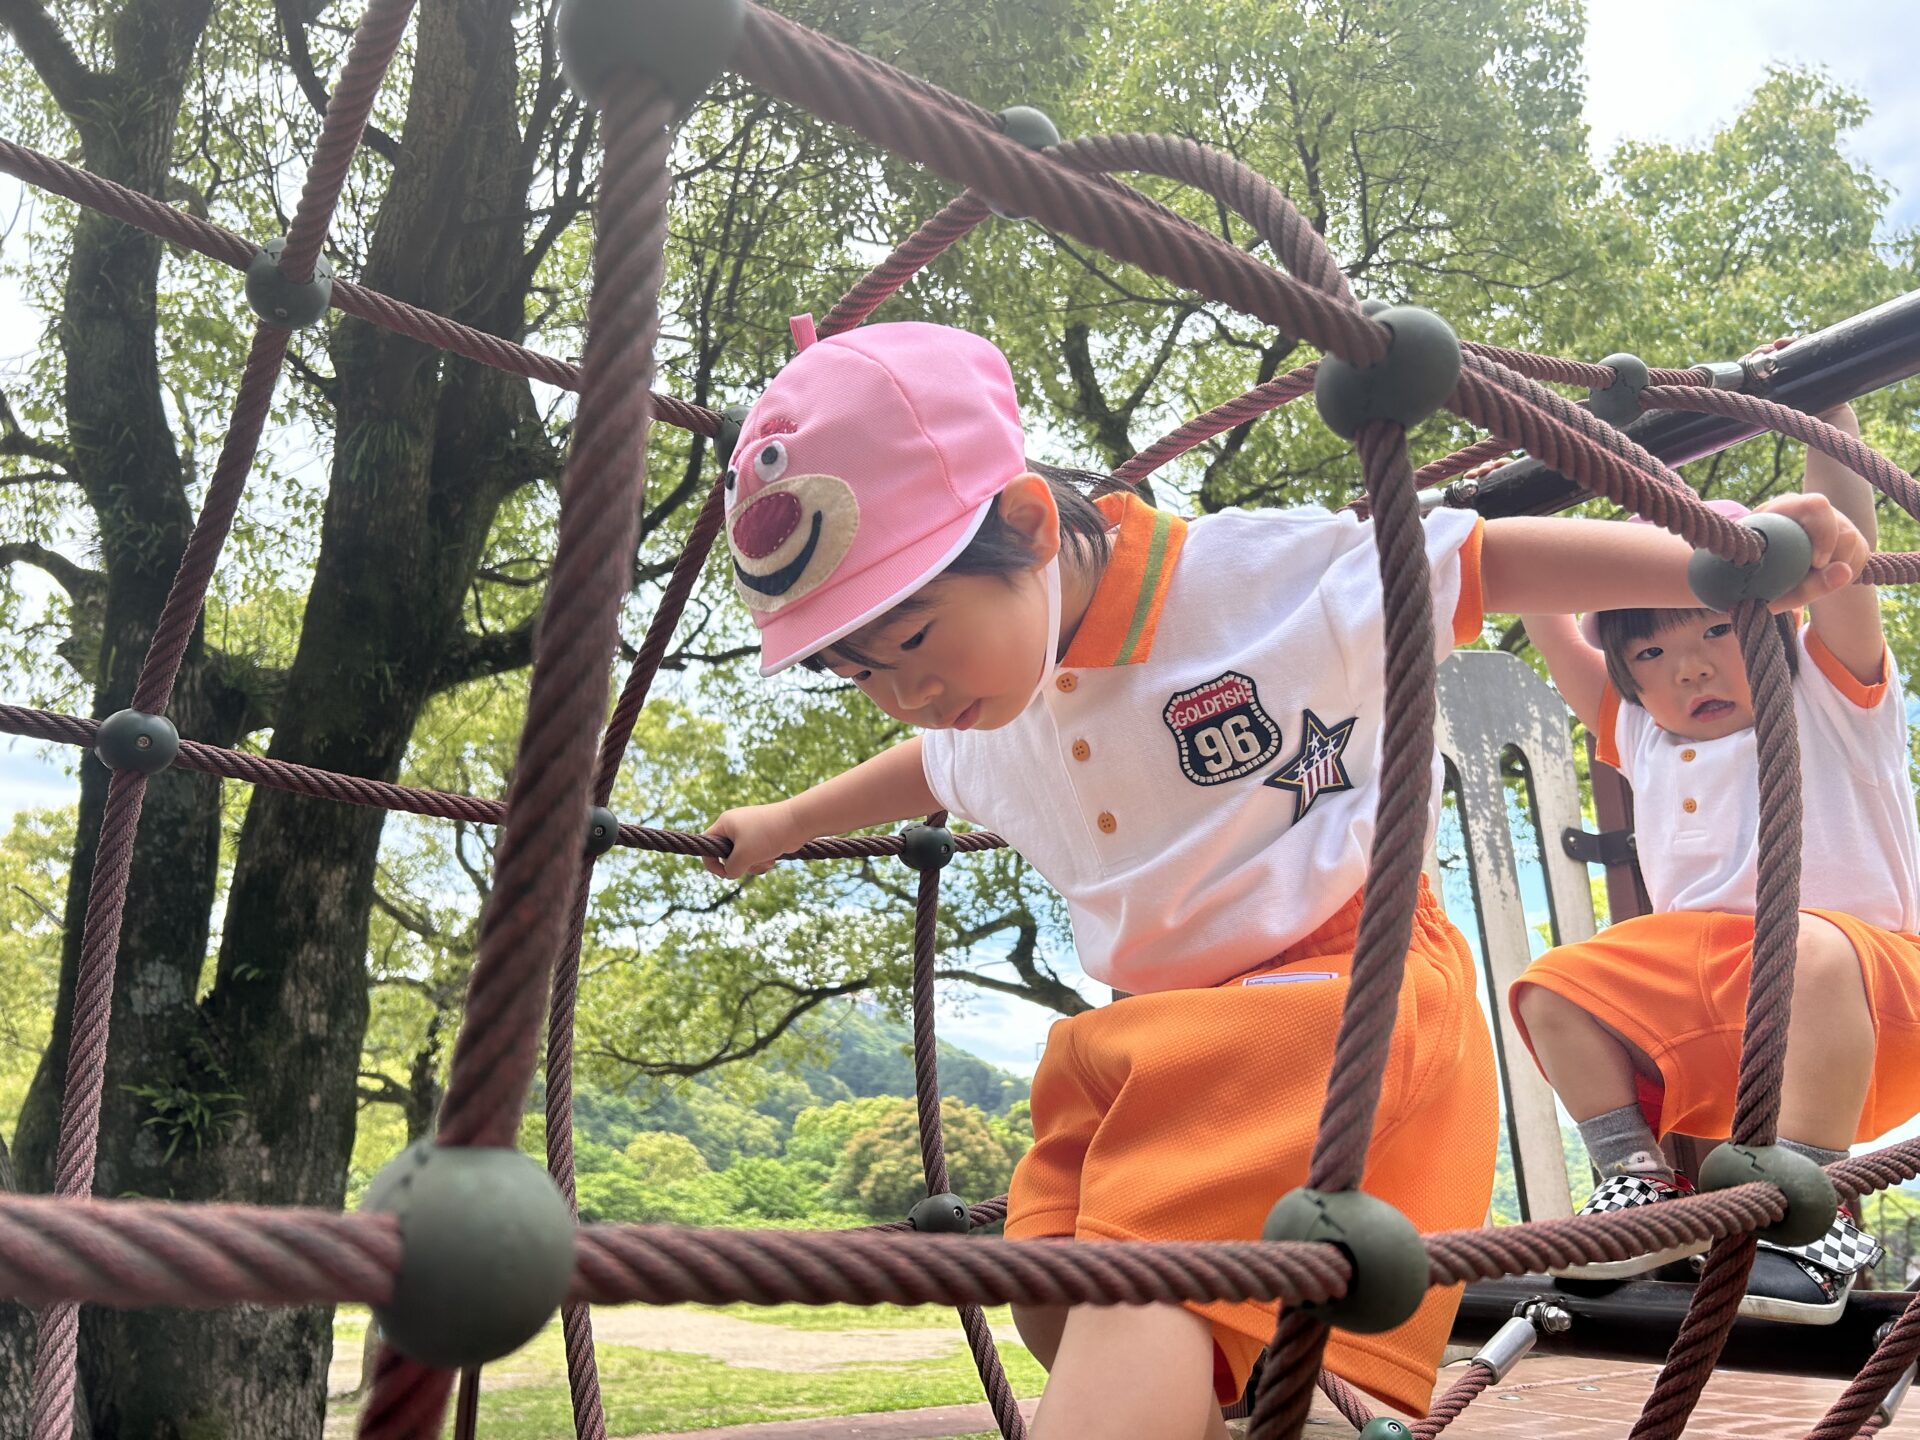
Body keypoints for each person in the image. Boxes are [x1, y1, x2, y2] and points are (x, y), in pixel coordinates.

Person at [703, 319, 1866, 1435]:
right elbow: (930, 767)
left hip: (1338, 1003)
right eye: (858, 672)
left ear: (1029, 525)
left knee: (1142, 1281)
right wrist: (792, 819)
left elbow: (1475, 559)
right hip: (1149, 1039)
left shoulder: (1243, 576)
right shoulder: (983, 709)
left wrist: (1715, 556)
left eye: (913, 640)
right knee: (1049, 1286)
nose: (905, 692)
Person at [1512, 347, 1913, 1323]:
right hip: (1712, 1019)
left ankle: (1811, 1218)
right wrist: (1529, 486)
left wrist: (1823, 406)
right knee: (1553, 989)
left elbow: (1843, 555)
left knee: (1806, 947)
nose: (1686, 668)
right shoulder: (1640, 733)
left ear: (1773, 621)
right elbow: (1543, 605)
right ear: (1630, 678)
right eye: (1651, 649)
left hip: (1868, 992)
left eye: (1714, 631)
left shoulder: (1830, 699)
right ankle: (1637, 1183)